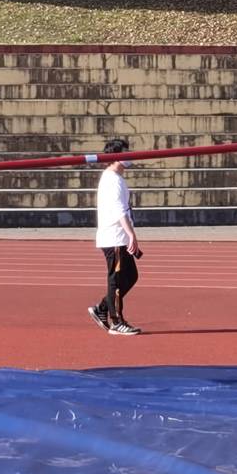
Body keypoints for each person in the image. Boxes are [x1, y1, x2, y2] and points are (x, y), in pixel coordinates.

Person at [88, 137, 143, 335]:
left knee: (131, 276)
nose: (130, 156)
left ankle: (102, 308)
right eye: (126, 153)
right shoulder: (112, 180)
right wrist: (131, 235)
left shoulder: (116, 179)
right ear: (117, 156)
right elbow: (119, 211)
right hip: (114, 238)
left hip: (119, 237)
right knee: (117, 280)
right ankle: (116, 321)